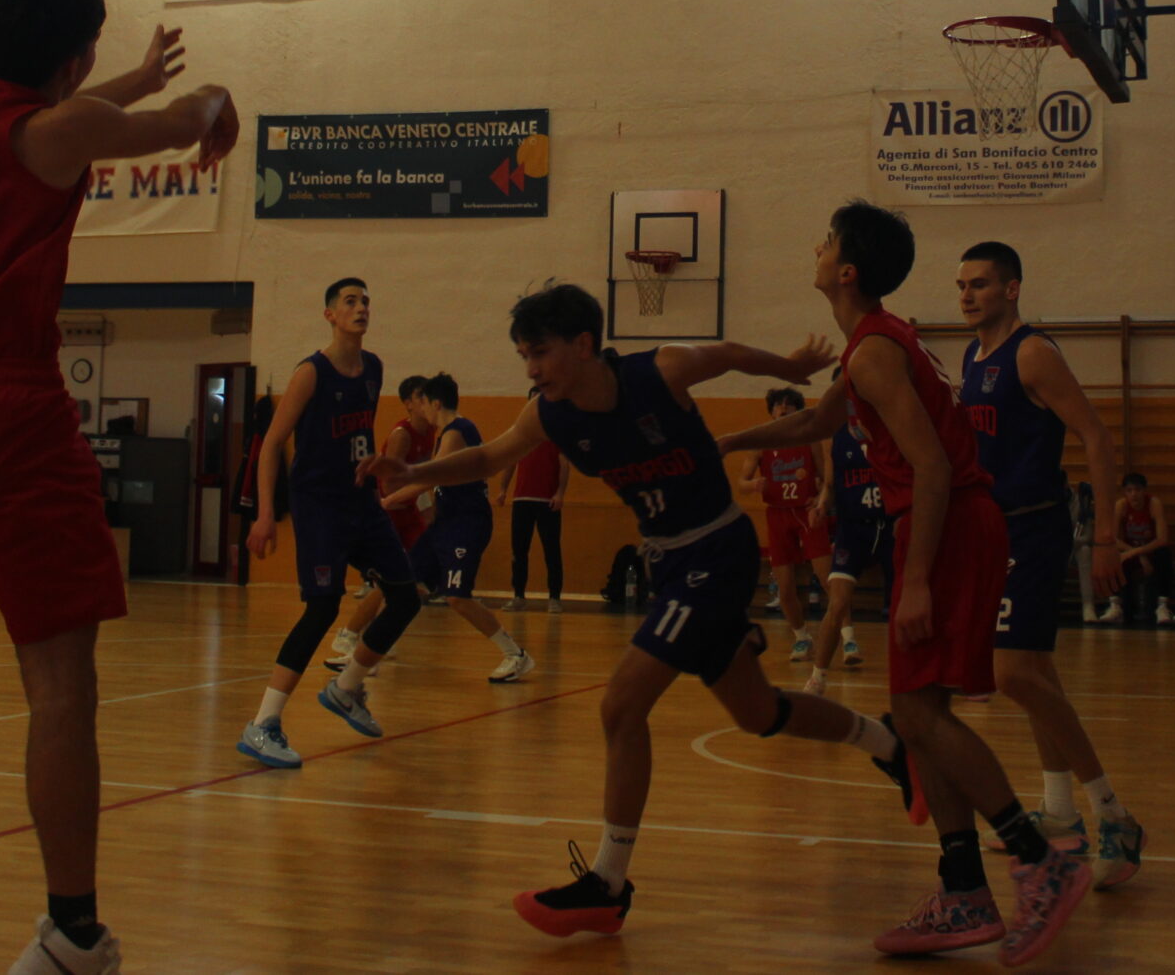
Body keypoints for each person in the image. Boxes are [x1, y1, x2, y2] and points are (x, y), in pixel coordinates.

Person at [0, 0, 237, 975]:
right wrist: (208, 98)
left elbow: (43, 124)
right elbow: (179, 122)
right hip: (7, 407)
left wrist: (130, 79)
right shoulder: (59, 130)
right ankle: (71, 934)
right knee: (61, 684)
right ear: (74, 56)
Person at [367, 283, 921, 941]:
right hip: (670, 564)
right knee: (758, 712)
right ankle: (893, 745)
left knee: (621, 704)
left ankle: (607, 883)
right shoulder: (548, 414)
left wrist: (788, 366)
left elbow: (726, 352)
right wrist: (415, 474)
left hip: (716, 550)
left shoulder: (659, 371)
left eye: (540, 352)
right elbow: (490, 456)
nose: (531, 369)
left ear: (582, 344)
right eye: (523, 356)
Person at [722, 202, 1091, 967]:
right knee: (919, 715)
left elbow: (932, 465)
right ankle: (964, 888)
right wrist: (722, 440)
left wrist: (916, 577)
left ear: (847, 270)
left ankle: (1039, 861)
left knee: (920, 716)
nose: (817, 248)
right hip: (945, 524)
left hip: (945, 524)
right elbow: (812, 424)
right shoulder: (873, 343)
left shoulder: (874, 353)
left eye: (827, 242)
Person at [953, 243, 1140, 883]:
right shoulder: (972, 357)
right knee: (1034, 675)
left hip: (1034, 528)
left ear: (1011, 289)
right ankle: (1060, 813)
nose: (967, 295)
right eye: (961, 285)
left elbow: (1096, 435)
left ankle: (1114, 814)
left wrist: (1107, 535)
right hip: (993, 531)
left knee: (1010, 675)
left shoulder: (1031, 353)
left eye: (980, 284)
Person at [237, 279, 427, 766]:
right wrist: (265, 514)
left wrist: (374, 464)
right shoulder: (311, 373)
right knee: (321, 609)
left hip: (361, 501)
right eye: (350, 301)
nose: (361, 307)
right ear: (330, 315)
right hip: (320, 507)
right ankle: (262, 724)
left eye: (366, 301)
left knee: (407, 597)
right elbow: (271, 444)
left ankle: (346, 688)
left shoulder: (374, 368)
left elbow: (355, 435)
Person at [403, 373, 534, 682]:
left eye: (423, 403)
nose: (421, 409)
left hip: (466, 523)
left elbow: (430, 477)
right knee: (403, 582)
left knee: (457, 597)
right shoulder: (449, 432)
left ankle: (515, 655)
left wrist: (389, 499)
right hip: (446, 522)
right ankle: (369, 651)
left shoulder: (457, 432)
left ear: (436, 403)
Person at [326, 376, 435, 670]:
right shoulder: (403, 434)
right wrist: (408, 498)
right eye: (420, 397)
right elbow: (388, 482)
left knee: (408, 582)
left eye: (429, 396)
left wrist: (425, 507)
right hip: (391, 511)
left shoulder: (431, 430)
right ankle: (350, 636)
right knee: (394, 581)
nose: (426, 402)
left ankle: (376, 637)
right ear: (408, 403)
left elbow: (423, 475)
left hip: (409, 510)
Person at [738, 387, 832, 663]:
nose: (783, 409)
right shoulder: (761, 443)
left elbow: (826, 480)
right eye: (778, 405)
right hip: (777, 514)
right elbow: (741, 483)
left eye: (789, 405)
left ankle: (847, 635)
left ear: (797, 412)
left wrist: (820, 494)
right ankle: (801, 637)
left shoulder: (810, 439)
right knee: (785, 586)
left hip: (806, 512)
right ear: (771, 411)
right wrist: (753, 485)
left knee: (828, 578)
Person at [804, 408, 885, 694]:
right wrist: (822, 505)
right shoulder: (835, 435)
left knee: (904, 606)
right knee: (837, 603)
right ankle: (817, 678)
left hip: (888, 524)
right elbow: (829, 484)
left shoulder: (890, 422)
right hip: (852, 529)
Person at [499, 398, 569, 611]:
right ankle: (518, 596)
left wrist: (560, 493)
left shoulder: (556, 433)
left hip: (547, 501)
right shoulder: (522, 434)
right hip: (522, 500)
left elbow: (564, 464)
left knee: (552, 551)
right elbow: (510, 461)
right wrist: (503, 489)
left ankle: (554, 598)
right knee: (519, 551)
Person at [1100, 473, 1168, 625]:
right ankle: (1115, 605)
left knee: (1164, 553)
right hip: (1132, 554)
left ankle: (1162, 606)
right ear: (1124, 492)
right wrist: (1135, 554)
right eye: (1129, 490)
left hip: (1150, 553)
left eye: (1137, 490)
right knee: (1112, 555)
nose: (1133, 494)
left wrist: (1137, 553)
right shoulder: (1121, 506)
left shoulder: (1153, 504)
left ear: (1144, 491)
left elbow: (1162, 539)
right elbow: (1113, 539)